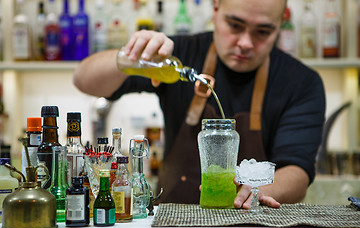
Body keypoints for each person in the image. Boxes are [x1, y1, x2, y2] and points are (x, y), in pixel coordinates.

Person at [73, 0, 325, 209]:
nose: (246, 43)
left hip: (255, 225)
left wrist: (254, 191)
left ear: (281, 23)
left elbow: (297, 171)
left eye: (263, 31)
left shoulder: (301, 82)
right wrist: (130, 56)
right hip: (172, 225)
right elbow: (84, 79)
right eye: (235, 25)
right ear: (215, 10)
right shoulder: (179, 57)